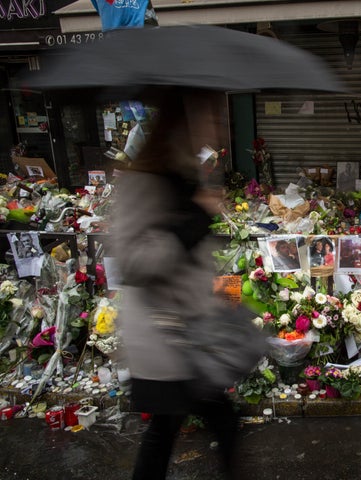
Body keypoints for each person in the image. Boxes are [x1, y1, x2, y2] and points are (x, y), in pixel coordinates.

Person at [110, 87, 239, 480]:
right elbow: (133, 261)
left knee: (167, 430)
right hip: (165, 336)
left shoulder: (182, 173)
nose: (219, 126)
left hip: (187, 332)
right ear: (186, 118)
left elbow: (186, 256)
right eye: (212, 116)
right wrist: (193, 220)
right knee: (211, 426)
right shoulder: (145, 180)